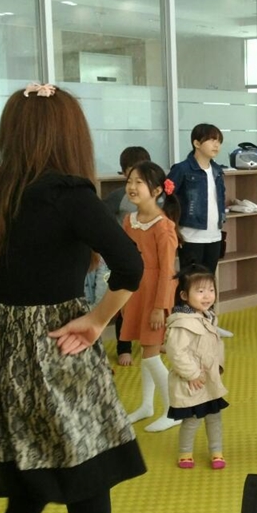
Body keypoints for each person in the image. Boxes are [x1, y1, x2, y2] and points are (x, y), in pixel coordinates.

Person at [0, 82, 145, 513]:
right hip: (59, 348)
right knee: (88, 487)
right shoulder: (70, 195)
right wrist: (97, 321)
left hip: (2, 353)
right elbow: (130, 266)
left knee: (26, 487)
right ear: (69, 134)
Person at [123, 161, 181, 433]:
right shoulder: (129, 221)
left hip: (156, 295)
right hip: (136, 292)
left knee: (150, 355)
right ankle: (147, 405)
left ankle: (175, 410)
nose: (131, 187)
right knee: (146, 350)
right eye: (129, 181)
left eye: (139, 182)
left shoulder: (164, 226)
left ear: (157, 190)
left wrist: (160, 307)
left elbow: (168, 271)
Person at [166, 264, 229, 470]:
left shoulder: (207, 316)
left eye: (211, 290)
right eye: (200, 291)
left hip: (209, 378)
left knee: (214, 417)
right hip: (193, 382)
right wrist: (192, 374)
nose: (207, 296)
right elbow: (176, 352)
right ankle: (185, 453)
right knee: (192, 419)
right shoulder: (182, 323)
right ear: (184, 295)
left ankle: (216, 451)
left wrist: (218, 367)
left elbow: (214, 345)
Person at [104, 146, 151, 366]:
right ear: (124, 173)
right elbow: (101, 218)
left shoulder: (156, 194)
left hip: (151, 258)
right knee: (125, 304)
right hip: (127, 257)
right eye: (132, 171)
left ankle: (152, 341)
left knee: (151, 302)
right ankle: (124, 347)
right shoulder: (118, 197)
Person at [167, 124, 226, 276]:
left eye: (219, 141)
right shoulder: (181, 169)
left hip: (215, 235)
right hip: (190, 237)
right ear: (197, 143)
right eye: (212, 140)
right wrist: (173, 229)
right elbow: (167, 198)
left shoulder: (218, 170)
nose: (216, 145)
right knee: (190, 281)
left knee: (208, 280)